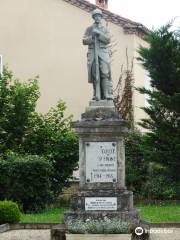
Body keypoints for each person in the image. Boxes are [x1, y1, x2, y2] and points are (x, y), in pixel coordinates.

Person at [83, 8, 113, 101]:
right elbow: (84, 41)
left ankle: (106, 94)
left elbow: (108, 40)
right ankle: (97, 94)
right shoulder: (89, 29)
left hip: (103, 53)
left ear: (101, 17)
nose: (97, 18)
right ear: (93, 17)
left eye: (99, 16)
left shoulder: (105, 29)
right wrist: (92, 36)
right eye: (95, 16)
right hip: (93, 52)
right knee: (95, 74)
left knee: (105, 73)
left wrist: (99, 34)